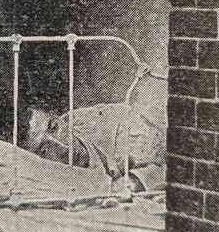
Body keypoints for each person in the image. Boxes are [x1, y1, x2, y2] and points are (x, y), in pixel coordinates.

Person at [19, 73, 166, 193]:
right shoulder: (46, 183)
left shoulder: (110, 123)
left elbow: (167, 160)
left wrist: (136, 179)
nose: (62, 147)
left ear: (60, 118)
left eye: (54, 128)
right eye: (44, 150)